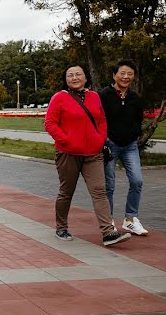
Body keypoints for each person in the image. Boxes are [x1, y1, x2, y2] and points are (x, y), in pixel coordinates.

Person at [44, 65, 131, 246]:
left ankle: (108, 233)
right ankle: (61, 227)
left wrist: (100, 140)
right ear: (65, 79)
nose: (74, 77)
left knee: (100, 192)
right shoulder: (59, 98)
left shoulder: (94, 96)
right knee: (66, 192)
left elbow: (101, 120)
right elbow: (50, 123)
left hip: (93, 154)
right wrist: (65, 140)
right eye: (70, 75)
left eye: (78, 74)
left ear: (85, 77)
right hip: (68, 153)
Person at [99, 60, 147, 236]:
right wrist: (104, 138)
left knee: (137, 181)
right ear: (114, 75)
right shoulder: (103, 95)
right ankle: (108, 222)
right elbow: (97, 119)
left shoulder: (135, 98)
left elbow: (138, 120)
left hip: (130, 146)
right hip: (109, 145)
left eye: (130, 74)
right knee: (109, 185)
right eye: (122, 73)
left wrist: (135, 134)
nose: (126, 77)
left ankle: (130, 220)